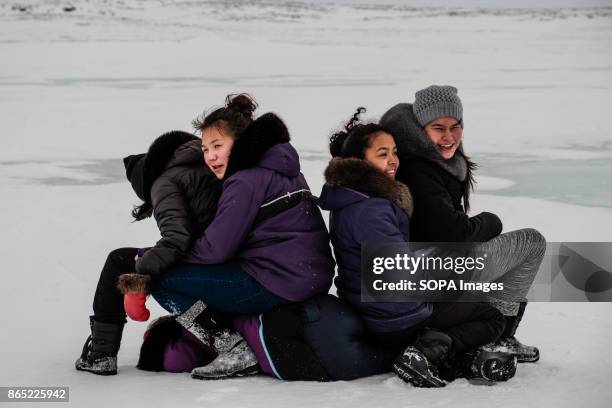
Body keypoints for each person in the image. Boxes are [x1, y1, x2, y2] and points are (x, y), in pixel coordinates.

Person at [317, 108, 516, 388]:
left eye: (394, 152)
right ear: (360, 161)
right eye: (382, 153)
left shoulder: (351, 198)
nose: (393, 161)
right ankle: (423, 352)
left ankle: (447, 354)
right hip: (393, 315)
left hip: (368, 306)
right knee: (491, 316)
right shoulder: (372, 209)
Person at [380, 85, 546, 363]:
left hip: (434, 263)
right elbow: (453, 233)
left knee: (507, 259)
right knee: (530, 243)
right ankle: (498, 337)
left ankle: (487, 329)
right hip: (431, 270)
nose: (449, 136)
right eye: (438, 128)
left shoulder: (429, 160)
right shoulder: (418, 169)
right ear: (421, 129)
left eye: (455, 127)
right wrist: (491, 222)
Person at [147, 94, 336, 317]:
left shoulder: (245, 181)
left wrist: (161, 257)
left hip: (279, 283)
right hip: (314, 277)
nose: (211, 157)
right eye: (205, 149)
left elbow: (215, 250)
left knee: (163, 282)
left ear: (240, 142)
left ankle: (226, 343)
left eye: (217, 145)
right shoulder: (284, 168)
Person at [75, 131, 223, 375]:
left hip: (209, 262)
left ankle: (101, 354)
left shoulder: (164, 182)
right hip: (219, 253)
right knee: (137, 256)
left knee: (120, 260)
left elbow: (177, 240)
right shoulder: (204, 163)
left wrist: (139, 272)